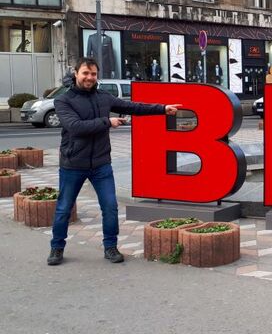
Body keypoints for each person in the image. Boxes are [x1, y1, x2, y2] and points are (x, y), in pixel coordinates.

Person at [47, 57, 181, 266]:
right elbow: (75, 127)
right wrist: (107, 122)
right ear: (76, 73)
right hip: (73, 164)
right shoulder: (64, 100)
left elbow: (133, 107)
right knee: (64, 207)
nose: (90, 77)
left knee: (110, 207)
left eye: (93, 74)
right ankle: (57, 247)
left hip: (101, 164)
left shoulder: (104, 97)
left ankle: (110, 247)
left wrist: (162, 109)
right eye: (85, 73)